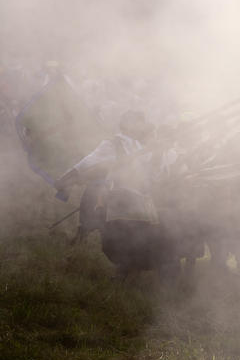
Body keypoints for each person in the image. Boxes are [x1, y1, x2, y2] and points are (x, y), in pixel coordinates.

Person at [55, 110, 176, 277]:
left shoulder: (141, 146)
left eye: (142, 122)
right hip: (120, 198)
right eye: (137, 121)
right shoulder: (112, 144)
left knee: (139, 240)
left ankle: (128, 275)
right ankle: (121, 273)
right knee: (118, 241)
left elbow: (155, 174)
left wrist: (158, 153)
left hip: (140, 199)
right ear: (126, 124)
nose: (141, 126)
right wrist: (67, 176)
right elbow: (89, 161)